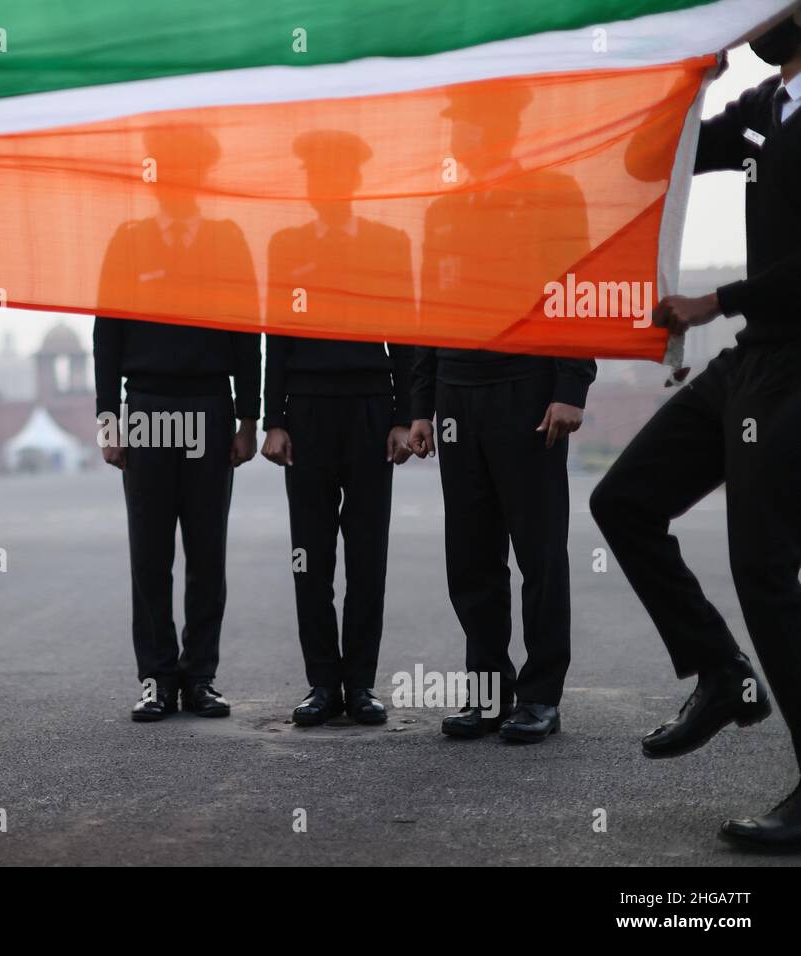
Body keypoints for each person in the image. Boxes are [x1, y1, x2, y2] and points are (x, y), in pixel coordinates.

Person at [590, 9, 801, 850]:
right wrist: (685, 77)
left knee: (762, 564)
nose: (753, 16)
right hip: (750, 362)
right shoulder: (760, 104)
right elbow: (657, 158)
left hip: (795, 365)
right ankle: (722, 675)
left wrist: (717, 301)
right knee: (625, 502)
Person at [409, 84, 595, 743]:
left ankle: (540, 695)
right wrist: (422, 408)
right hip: (458, 393)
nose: (458, 133)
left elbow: (579, 286)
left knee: (540, 551)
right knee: (471, 554)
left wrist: (572, 386)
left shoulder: (552, 194)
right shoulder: (442, 210)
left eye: (468, 121)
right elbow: (427, 316)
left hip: (528, 390)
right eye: (456, 122)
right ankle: (488, 691)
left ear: (505, 128)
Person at [93, 124, 261, 722]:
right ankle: (158, 677)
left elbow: (247, 333)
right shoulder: (129, 242)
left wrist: (249, 416)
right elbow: (106, 337)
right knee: (150, 551)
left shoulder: (226, 240)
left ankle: (200, 677)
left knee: (206, 551)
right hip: (147, 406)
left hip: (211, 408)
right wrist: (108, 419)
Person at [261, 130, 415, 727]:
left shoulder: (388, 244)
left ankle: (362, 686)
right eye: (317, 176)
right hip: (307, 416)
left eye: (340, 175)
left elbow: (403, 334)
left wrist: (404, 416)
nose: (328, 187)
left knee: (368, 555)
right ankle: (323, 686)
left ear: (355, 184)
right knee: (310, 555)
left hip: (372, 413)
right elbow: (279, 334)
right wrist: (274, 421)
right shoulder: (287, 244)